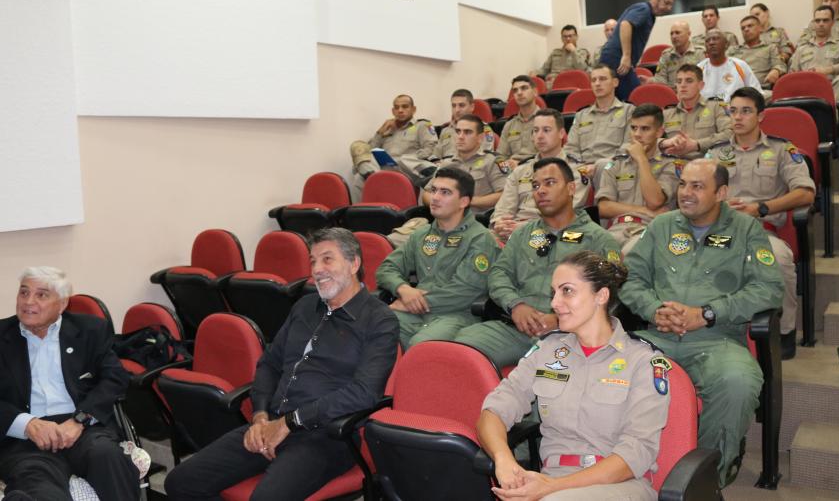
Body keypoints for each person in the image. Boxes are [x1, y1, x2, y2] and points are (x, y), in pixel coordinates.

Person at [165, 228, 399, 500]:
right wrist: (260, 416)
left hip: (326, 436)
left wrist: (291, 422)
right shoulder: (304, 307)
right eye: (313, 261)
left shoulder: (379, 320)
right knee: (181, 482)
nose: (317, 269)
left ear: (354, 263)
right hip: (272, 422)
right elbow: (269, 364)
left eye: (327, 259)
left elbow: (364, 393)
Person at [619, 159, 784, 486]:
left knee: (738, 382)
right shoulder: (662, 226)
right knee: (606, 369)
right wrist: (654, 309)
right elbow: (630, 279)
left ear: (721, 193)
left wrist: (707, 313)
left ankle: (707, 478)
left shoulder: (746, 230)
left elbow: (769, 289)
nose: (686, 193)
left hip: (717, 339)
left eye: (697, 186)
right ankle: (617, 468)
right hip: (658, 336)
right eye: (683, 184)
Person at [477, 251, 669, 501]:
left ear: (601, 296)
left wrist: (551, 488)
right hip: (552, 479)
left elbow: (636, 453)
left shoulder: (643, 360)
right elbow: (494, 411)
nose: (555, 303)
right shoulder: (547, 350)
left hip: (620, 484)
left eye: (567, 291)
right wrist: (504, 460)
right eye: (554, 292)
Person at [455, 157, 622, 369]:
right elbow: (499, 274)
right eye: (535, 186)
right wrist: (516, 305)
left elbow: (610, 295)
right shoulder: (522, 234)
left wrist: (561, 318)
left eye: (550, 183)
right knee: (458, 352)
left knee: (548, 376)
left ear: (571, 188)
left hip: (569, 334)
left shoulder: (599, 240)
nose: (540, 191)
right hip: (515, 327)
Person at [0, 267, 139, 501]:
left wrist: (80, 420)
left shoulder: (90, 330)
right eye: (24, 293)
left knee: (109, 457)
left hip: (82, 428)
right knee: (39, 488)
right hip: (25, 440)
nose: (28, 302)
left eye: (41, 295)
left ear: (62, 303)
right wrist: (27, 424)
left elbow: (115, 378)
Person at [707, 87, 816, 359]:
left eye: (746, 111)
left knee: (779, 259)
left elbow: (805, 192)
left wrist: (762, 208)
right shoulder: (715, 154)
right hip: (720, 230)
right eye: (733, 111)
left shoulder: (781, 150)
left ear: (760, 116)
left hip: (761, 231)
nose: (737, 117)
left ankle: (785, 331)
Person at [377, 167, 501, 349]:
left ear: (463, 201)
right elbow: (387, 268)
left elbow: (464, 292)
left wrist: (411, 302)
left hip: (456, 315)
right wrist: (403, 289)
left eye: (445, 192)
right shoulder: (421, 235)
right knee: (373, 328)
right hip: (415, 312)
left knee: (421, 347)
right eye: (434, 190)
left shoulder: (480, 239)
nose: (435, 197)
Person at [491, 109, 592, 242]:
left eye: (546, 130)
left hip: (552, 233)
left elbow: (563, 215)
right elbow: (503, 208)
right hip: (512, 231)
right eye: (535, 130)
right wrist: (500, 223)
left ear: (561, 133)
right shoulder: (520, 171)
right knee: (479, 240)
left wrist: (524, 228)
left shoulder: (576, 172)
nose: (539, 136)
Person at [597, 103, 679, 255]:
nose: (637, 134)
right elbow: (603, 207)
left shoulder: (671, 164)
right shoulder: (617, 163)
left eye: (645, 129)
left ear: (659, 132)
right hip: (616, 229)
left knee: (629, 254)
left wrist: (641, 159)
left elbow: (654, 201)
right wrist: (642, 210)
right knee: (592, 255)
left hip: (650, 230)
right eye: (634, 128)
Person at [349, 94, 438, 197]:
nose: (400, 110)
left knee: (403, 161)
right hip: (382, 168)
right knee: (358, 153)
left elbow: (430, 148)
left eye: (405, 106)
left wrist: (408, 159)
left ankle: (376, 181)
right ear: (393, 111)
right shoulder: (388, 128)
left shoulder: (422, 125)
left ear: (413, 109)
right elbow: (369, 152)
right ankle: (375, 182)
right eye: (396, 107)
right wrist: (380, 132)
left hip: (405, 170)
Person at [563, 64, 636, 189]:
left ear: (615, 82)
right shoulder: (581, 115)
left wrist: (598, 166)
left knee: (603, 166)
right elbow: (571, 148)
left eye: (602, 79)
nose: (597, 83)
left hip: (613, 165)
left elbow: (628, 145)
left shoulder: (629, 111)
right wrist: (581, 167)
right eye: (593, 80)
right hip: (582, 168)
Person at [600, 0, 676, 101]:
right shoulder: (644, 9)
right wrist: (626, 56)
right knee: (636, 98)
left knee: (620, 101)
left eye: (671, 4)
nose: (669, 8)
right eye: (666, 3)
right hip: (616, 58)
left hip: (616, 58)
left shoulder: (650, 15)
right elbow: (625, 24)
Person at [419, 115, 507, 213]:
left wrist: (467, 201)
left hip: (478, 218)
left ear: (480, 137)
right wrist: (443, 201)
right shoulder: (446, 164)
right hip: (445, 217)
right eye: (458, 131)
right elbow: (426, 194)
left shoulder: (492, 161)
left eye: (467, 132)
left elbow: (504, 194)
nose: (460, 137)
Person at [789, 5, 839, 101]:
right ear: (813, 23)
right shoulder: (802, 49)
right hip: (806, 91)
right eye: (817, 21)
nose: (821, 24)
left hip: (832, 88)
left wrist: (830, 69)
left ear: (832, 22)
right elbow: (792, 74)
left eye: (825, 20)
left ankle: (830, 110)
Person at [659, 64, 733, 159]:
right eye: (679, 81)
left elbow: (730, 133)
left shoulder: (716, 107)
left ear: (700, 85)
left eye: (689, 81)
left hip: (707, 162)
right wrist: (664, 143)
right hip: (673, 164)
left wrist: (697, 145)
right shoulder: (667, 113)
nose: (683, 85)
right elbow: (649, 140)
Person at [697, 30, 763, 101]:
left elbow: (757, 94)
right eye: (707, 41)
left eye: (715, 39)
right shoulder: (699, 69)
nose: (711, 43)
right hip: (707, 107)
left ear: (726, 44)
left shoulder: (740, 65)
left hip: (735, 107)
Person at [729, 15, 787, 95]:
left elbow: (780, 64)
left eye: (750, 26)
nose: (746, 29)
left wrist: (776, 70)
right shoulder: (733, 50)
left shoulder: (770, 48)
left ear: (760, 28)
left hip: (759, 91)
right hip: (735, 91)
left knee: (775, 95)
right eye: (743, 28)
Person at [497, 76, 541, 165]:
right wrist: (505, 167)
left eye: (524, 88)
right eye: (515, 90)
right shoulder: (509, 125)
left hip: (537, 168)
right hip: (511, 170)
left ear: (535, 92)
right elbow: (500, 157)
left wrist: (520, 165)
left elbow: (551, 156)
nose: (519, 93)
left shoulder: (547, 120)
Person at [533, 25, 591, 89]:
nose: (568, 39)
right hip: (553, 84)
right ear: (562, 38)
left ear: (576, 37)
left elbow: (582, 69)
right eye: (565, 36)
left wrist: (573, 51)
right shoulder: (555, 52)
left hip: (571, 84)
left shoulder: (582, 52)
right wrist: (535, 73)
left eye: (570, 36)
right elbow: (544, 69)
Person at [651, 21, 706, 88]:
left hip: (694, 92)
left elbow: (705, 79)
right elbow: (660, 80)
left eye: (677, 33)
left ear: (688, 34)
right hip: (671, 92)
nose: (674, 36)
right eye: (671, 34)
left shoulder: (700, 53)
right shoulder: (666, 55)